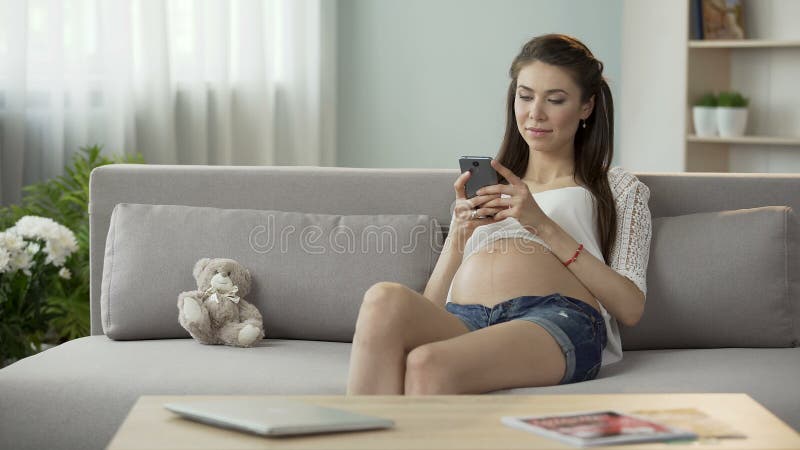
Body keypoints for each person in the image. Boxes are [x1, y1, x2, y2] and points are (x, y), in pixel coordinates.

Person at [346, 34, 652, 395]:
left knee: (426, 363)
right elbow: (430, 308)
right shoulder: (488, 186)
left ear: (586, 107)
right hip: (466, 320)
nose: (535, 113)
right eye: (525, 96)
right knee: (383, 299)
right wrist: (460, 234)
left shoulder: (615, 186)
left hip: (555, 319)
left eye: (555, 99)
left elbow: (630, 308)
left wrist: (539, 222)